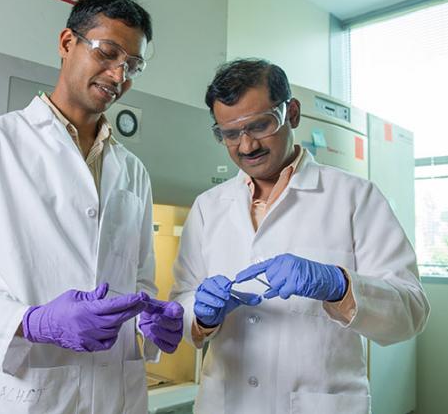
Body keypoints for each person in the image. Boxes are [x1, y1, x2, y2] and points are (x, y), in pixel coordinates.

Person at [0, 0, 183, 414]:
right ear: (66, 43)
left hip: (114, 394)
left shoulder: (133, 171)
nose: (118, 75)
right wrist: (31, 323)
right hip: (23, 393)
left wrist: (151, 322)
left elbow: (139, 281)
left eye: (133, 66)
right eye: (108, 53)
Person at [170, 58, 429, 414]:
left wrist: (339, 286)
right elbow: (181, 302)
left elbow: (412, 311)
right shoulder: (207, 207)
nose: (246, 146)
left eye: (260, 125)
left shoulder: (355, 196)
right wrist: (200, 316)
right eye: (230, 134)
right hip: (226, 403)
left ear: (291, 113)